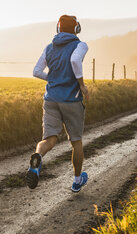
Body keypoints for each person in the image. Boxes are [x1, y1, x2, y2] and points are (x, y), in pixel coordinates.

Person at [26, 15, 89, 192]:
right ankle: (77, 181)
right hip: (71, 100)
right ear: (77, 29)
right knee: (76, 142)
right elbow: (75, 60)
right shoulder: (80, 45)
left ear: (58, 28)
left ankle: (37, 157)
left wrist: (53, 78)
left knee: (49, 139)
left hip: (51, 99)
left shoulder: (49, 48)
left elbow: (36, 71)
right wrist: (82, 86)